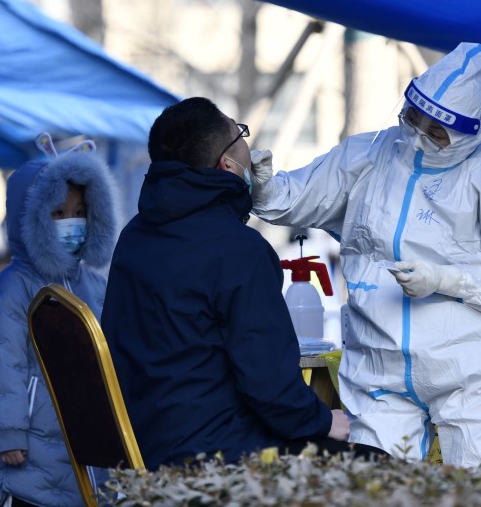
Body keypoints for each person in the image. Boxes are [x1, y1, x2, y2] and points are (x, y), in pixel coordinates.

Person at [250, 42, 481, 468]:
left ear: (470, 132)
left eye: (436, 131)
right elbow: (298, 197)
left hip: (472, 373)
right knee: (375, 488)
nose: (419, 134)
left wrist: (446, 280)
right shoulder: (371, 153)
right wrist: (264, 187)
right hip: (380, 364)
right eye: (414, 118)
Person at [102, 97, 357, 468]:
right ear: (228, 163)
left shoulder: (134, 236)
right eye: (241, 134)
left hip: (137, 450)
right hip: (219, 455)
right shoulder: (239, 250)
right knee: (370, 461)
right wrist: (321, 420)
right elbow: (269, 385)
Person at [0, 138, 119, 507]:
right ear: (31, 218)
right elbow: (1, 360)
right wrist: (10, 432)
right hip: (32, 445)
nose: (73, 222)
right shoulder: (11, 287)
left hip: (90, 438)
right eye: (58, 213)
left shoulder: (96, 284)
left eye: (81, 211)